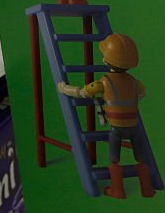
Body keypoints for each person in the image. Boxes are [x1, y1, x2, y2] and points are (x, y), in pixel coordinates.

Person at [58, 34, 156, 199]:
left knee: (114, 160)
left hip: (116, 129)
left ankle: (118, 190)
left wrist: (63, 88)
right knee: (141, 159)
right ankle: (147, 190)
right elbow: (142, 93)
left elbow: (82, 92)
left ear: (106, 60)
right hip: (133, 126)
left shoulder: (103, 83)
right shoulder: (134, 82)